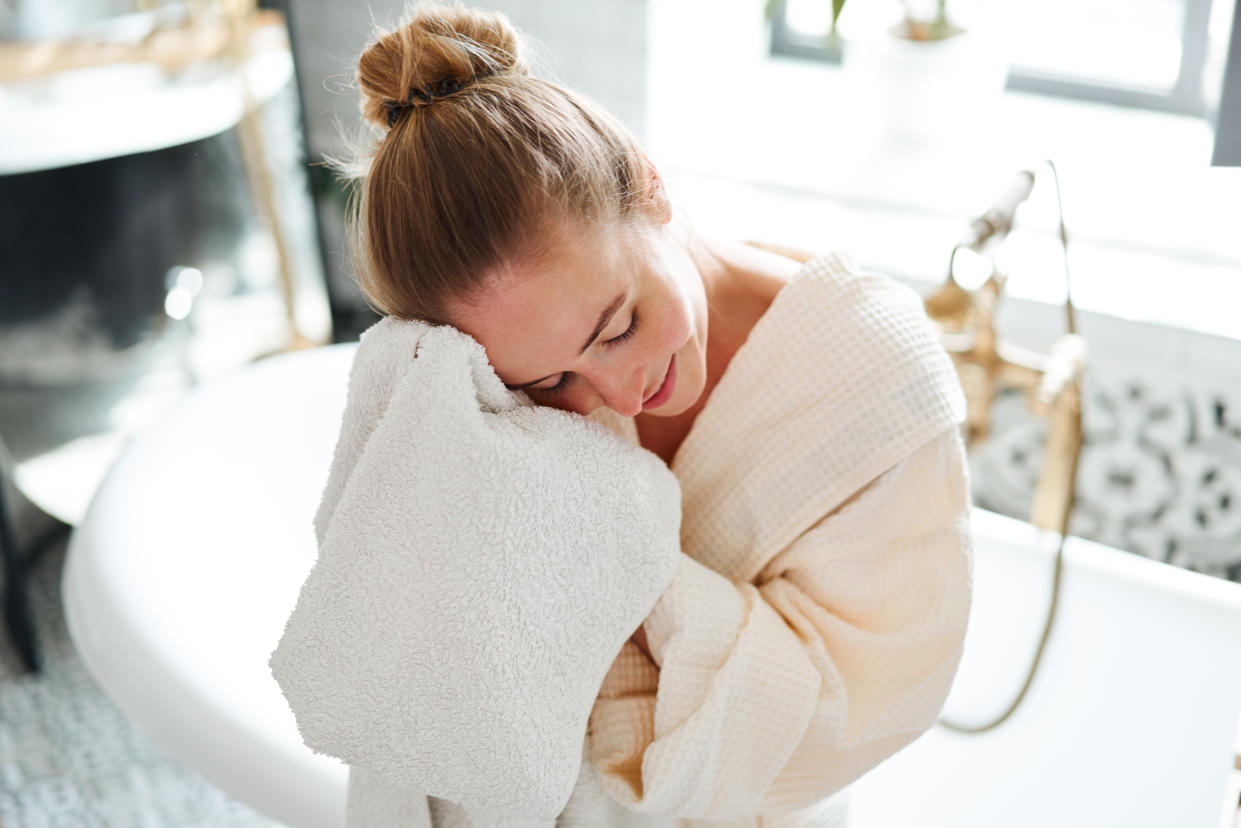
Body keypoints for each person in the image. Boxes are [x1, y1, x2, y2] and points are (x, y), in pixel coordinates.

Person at [334, 3, 973, 825]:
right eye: (549, 383)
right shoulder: (462, 381)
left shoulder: (871, 378)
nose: (614, 393)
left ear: (649, 186)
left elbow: (853, 704)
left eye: (619, 328)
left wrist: (627, 557)